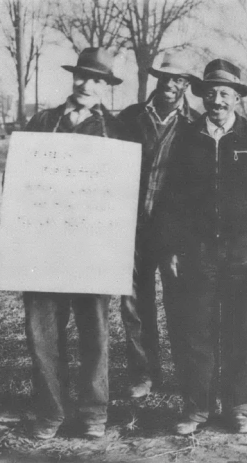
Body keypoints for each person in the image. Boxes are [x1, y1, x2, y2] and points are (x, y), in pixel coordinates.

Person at [165, 59, 247, 434]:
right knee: (195, 328)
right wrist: (172, 247)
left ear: (237, 98)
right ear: (201, 96)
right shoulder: (185, 136)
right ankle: (195, 408)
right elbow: (172, 198)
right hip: (197, 249)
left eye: (225, 93)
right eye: (211, 92)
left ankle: (238, 407)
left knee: (243, 331)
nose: (217, 100)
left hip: (242, 249)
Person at [23, 48, 126, 440]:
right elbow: (19, 183)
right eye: (81, 77)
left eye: (96, 79)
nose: (86, 85)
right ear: (73, 79)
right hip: (43, 244)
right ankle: (49, 412)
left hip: (93, 248)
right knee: (43, 332)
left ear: (106, 87)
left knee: (94, 333)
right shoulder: (43, 122)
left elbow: (121, 195)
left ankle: (92, 413)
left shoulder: (114, 131)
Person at [117, 51, 201, 399]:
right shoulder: (130, 118)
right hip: (131, 227)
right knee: (135, 305)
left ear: (186, 84)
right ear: (156, 79)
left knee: (180, 302)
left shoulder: (195, 124)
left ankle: (185, 373)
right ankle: (144, 373)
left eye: (179, 79)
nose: (171, 84)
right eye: (165, 77)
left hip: (173, 232)